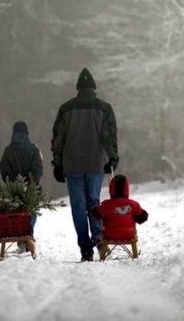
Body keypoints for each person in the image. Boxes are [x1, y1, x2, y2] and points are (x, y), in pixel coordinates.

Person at [51, 67, 119, 261]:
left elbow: (58, 139)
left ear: (78, 88)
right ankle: (98, 238)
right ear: (94, 88)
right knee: (94, 204)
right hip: (95, 164)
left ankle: (85, 248)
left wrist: (57, 163)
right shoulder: (104, 108)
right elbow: (109, 136)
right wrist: (112, 158)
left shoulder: (66, 109)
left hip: (72, 166)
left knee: (78, 207)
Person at [0, 121, 43, 249]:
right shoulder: (34, 149)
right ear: (27, 133)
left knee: (17, 213)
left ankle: (21, 236)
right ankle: (27, 234)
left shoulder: (8, 151)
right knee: (32, 211)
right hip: (32, 189)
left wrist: (13, 183)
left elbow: (4, 168)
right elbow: (38, 169)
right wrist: (31, 183)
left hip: (14, 190)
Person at [91, 174, 148, 241]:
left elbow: (94, 213)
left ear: (111, 189)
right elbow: (143, 217)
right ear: (127, 189)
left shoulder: (106, 205)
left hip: (109, 235)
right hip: (129, 234)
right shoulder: (133, 205)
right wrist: (134, 218)